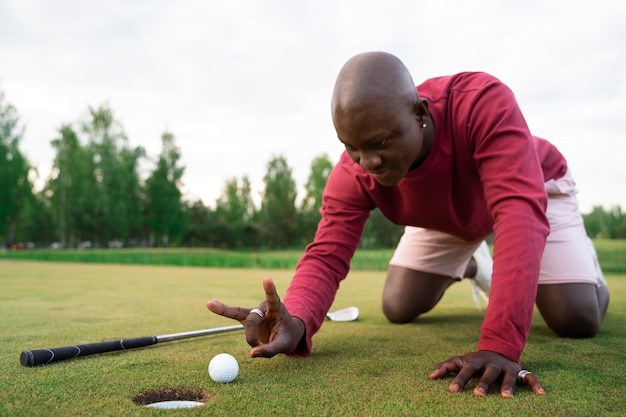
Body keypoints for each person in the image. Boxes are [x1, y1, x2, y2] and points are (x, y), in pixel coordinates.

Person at [206, 51, 610, 398]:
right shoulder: (356, 170)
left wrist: (500, 344)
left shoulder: (482, 101)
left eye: (381, 143)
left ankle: (583, 268)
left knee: (575, 317)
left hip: (534, 188)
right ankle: (474, 263)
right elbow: (327, 255)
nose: (368, 163)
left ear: (419, 114)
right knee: (398, 306)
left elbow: (518, 214)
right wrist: (298, 320)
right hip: (443, 214)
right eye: (352, 147)